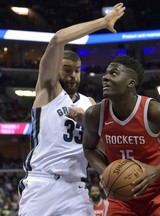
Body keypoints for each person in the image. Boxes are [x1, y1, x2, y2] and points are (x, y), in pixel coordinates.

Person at [17, 3, 125, 216]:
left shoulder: (89, 103)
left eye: (77, 71)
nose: (73, 75)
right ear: (56, 70)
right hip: (42, 184)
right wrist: (103, 22)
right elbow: (58, 39)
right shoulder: (47, 91)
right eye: (67, 70)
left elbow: (103, 146)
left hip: (76, 188)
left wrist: (110, 171)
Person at [82, 54, 160, 215]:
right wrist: (105, 172)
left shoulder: (155, 111)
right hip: (122, 197)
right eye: (106, 73)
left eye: (114, 73)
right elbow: (89, 148)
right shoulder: (94, 115)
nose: (105, 78)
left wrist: (158, 170)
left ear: (131, 82)